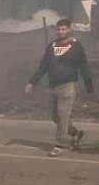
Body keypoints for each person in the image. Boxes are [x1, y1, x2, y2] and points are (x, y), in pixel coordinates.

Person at [25, 19, 93, 155]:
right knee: (56, 118)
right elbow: (43, 66)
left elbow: (84, 67)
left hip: (68, 87)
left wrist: (89, 86)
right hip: (53, 87)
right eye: (59, 29)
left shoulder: (76, 46)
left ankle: (59, 145)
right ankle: (75, 133)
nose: (61, 32)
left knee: (62, 117)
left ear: (69, 30)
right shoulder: (52, 46)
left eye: (63, 29)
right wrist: (31, 82)